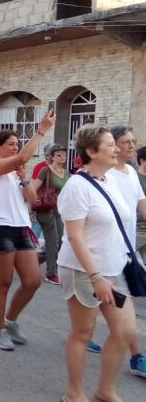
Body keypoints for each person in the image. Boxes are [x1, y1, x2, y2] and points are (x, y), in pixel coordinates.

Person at [57, 123, 139, 402]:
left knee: (125, 330)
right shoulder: (77, 187)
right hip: (83, 271)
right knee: (83, 332)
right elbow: (75, 238)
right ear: (91, 152)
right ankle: (74, 393)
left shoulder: (111, 180)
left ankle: (105, 390)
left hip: (114, 268)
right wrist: (96, 277)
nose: (117, 148)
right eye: (110, 145)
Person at [0, 111, 55, 351]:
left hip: (22, 229)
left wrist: (24, 179)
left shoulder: (16, 172)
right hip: (0, 229)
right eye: (11, 144)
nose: (16, 148)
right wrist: (41, 129)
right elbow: (24, 156)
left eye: (17, 144)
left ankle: (10, 320)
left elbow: (32, 199)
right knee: (2, 283)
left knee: (33, 281)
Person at [102, 126, 146, 378]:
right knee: (117, 311)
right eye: (125, 141)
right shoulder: (104, 174)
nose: (131, 146)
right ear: (113, 144)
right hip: (105, 252)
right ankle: (135, 356)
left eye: (133, 141)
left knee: (117, 309)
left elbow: (142, 205)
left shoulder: (129, 171)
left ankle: (135, 355)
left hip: (126, 252)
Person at [31, 144, 71, 285]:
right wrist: (29, 208)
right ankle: (51, 273)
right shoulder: (45, 170)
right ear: (52, 156)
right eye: (59, 154)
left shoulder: (66, 173)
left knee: (61, 241)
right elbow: (33, 189)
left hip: (59, 210)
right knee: (52, 241)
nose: (62, 157)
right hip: (45, 209)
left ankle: (35, 260)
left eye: (64, 154)